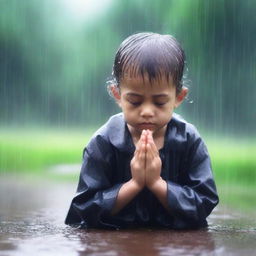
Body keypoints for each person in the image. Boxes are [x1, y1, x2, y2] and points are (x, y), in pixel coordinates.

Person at [65, 32, 219, 229]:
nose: (147, 111)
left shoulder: (189, 140)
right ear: (117, 95)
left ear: (179, 97)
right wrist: (135, 184)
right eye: (135, 101)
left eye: (160, 102)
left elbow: (204, 202)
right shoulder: (103, 142)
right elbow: (84, 208)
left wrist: (157, 183)